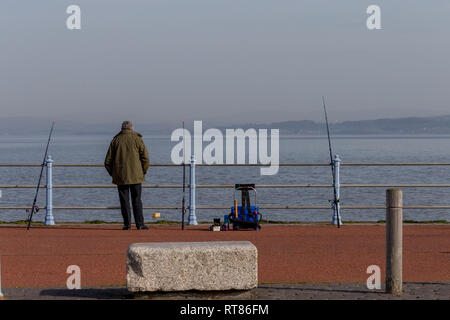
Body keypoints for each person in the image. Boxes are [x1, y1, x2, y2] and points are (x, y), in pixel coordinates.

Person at [104, 121, 150, 230]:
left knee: (124, 201)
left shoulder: (115, 140)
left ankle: (127, 224)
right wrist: (142, 172)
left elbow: (107, 161)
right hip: (136, 175)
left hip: (121, 176)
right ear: (132, 128)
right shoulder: (137, 139)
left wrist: (114, 174)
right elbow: (146, 159)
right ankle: (140, 224)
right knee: (137, 200)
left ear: (122, 129)